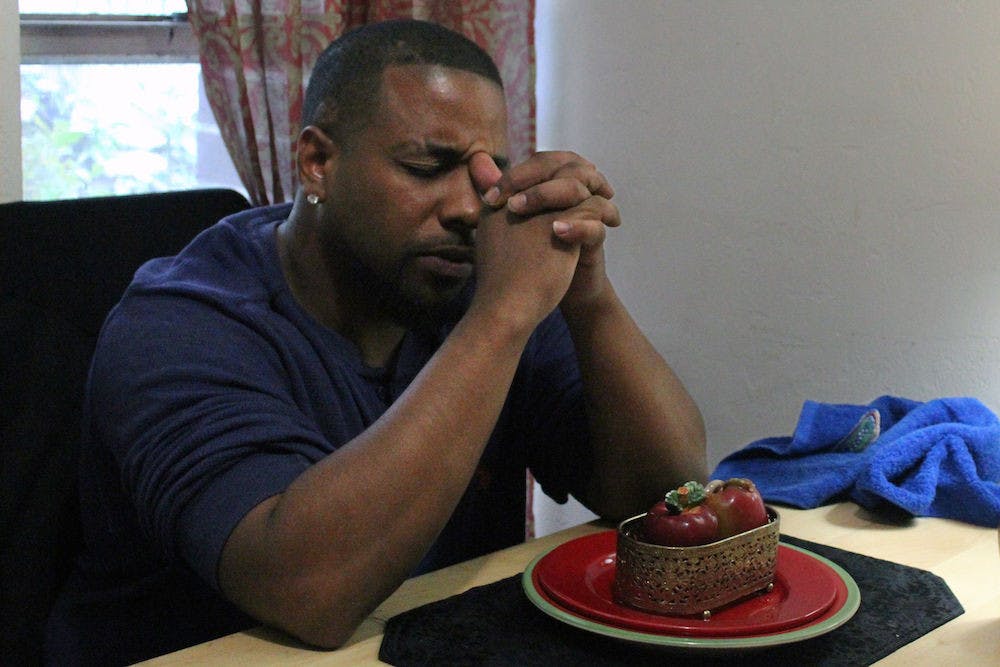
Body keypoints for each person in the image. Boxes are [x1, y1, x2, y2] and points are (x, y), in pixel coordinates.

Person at [45, 19, 706, 665]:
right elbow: (309, 592)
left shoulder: (471, 288)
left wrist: (588, 295)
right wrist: (501, 316)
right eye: (426, 166)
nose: (470, 208)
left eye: (488, 173)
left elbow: (668, 491)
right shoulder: (177, 324)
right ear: (317, 162)